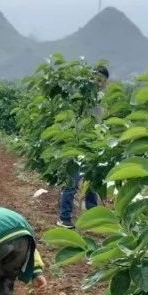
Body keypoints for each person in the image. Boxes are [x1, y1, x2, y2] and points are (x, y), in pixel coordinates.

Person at [58, 64, 110, 228]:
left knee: (92, 181)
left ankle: (92, 216)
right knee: (73, 181)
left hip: (94, 142)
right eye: (96, 78)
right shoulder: (84, 94)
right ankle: (64, 218)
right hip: (78, 142)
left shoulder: (104, 97)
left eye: (102, 80)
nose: (99, 82)